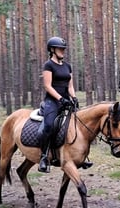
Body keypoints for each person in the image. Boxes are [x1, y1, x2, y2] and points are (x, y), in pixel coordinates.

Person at [38, 36, 92, 173]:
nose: (63, 51)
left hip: (67, 101)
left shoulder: (68, 66)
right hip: (52, 102)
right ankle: (44, 157)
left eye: (63, 49)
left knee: (79, 125)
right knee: (49, 125)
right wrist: (60, 99)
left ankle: (81, 157)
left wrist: (74, 98)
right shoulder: (48, 65)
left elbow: (70, 86)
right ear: (52, 49)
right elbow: (48, 86)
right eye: (60, 49)